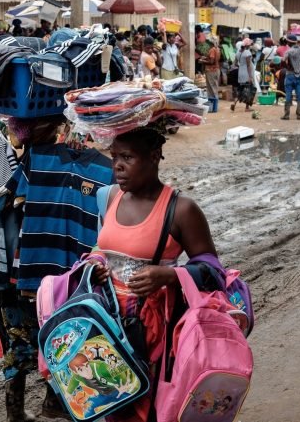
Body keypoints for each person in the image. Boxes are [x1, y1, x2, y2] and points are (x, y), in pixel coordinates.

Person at [91, 126, 223, 421]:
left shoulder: (181, 210)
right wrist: (95, 264)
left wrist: (169, 276)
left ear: (154, 157)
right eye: (114, 157)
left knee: (151, 406)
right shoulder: (110, 197)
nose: (117, 167)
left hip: (155, 332)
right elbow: (103, 247)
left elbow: (214, 272)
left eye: (127, 157)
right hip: (109, 325)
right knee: (112, 403)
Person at [281, 34, 300, 120]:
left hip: (290, 74)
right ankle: (299, 114)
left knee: (288, 95)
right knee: (299, 95)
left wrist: (286, 66)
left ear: (289, 42)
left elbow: (283, 60)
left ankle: (286, 115)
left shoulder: (289, 51)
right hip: (299, 75)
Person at [231, 38, 254, 112]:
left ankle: (234, 103)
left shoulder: (238, 52)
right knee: (248, 90)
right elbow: (248, 65)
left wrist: (241, 66)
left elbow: (235, 63)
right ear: (247, 45)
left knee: (241, 89)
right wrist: (250, 76)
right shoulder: (247, 53)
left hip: (240, 72)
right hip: (246, 72)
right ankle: (247, 107)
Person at [200, 37, 220, 113]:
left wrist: (202, 61)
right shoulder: (217, 49)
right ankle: (214, 106)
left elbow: (211, 62)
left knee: (211, 88)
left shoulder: (212, 50)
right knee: (214, 87)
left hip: (211, 70)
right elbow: (214, 59)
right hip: (216, 69)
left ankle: (213, 107)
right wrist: (206, 58)